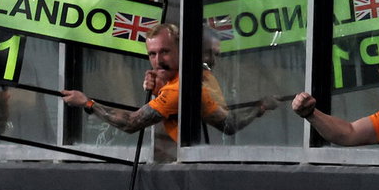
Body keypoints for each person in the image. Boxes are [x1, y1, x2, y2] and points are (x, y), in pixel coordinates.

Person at [60, 22, 273, 161]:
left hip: (200, 168)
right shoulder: (193, 76)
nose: (158, 60)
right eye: (152, 54)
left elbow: (130, 123)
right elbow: (226, 123)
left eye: (165, 52)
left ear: (181, 50)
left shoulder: (179, 89)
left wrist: (87, 103)